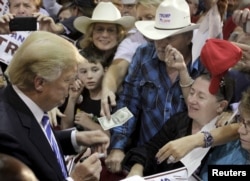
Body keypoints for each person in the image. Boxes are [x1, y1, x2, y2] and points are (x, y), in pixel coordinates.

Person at [104, 0, 204, 174]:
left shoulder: (202, 65)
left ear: (188, 37)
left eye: (169, 37)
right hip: (144, 158)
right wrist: (117, 146)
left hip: (186, 163)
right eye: (157, 36)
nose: (161, 43)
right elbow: (128, 103)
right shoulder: (143, 54)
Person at [0, 31, 110, 181]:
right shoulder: (6, 137)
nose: (73, 85)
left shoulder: (20, 100)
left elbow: (37, 141)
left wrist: (76, 138)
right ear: (39, 83)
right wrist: (76, 179)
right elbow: (25, 145)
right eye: (67, 80)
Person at [122, 72, 234, 177]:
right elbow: (152, 149)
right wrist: (137, 168)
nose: (191, 100)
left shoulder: (227, 138)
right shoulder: (179, 121)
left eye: (201, 97)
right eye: (191, 92)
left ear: (221, 106)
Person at [101, 0, 162, 119]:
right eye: (139, 19)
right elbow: (117, 68)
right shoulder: (135, 41)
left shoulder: (192, 38)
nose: (143, 23)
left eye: (149, 17)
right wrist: (108, 89)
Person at [61, 49, 110, 134]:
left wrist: (89, 124)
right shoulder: (79, 95)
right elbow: (65, 128)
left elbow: (115, 138)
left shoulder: (113, 100)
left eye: (95, 70)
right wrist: (72, 99)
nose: (89, 76)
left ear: (105, 71)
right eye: (83, 72)